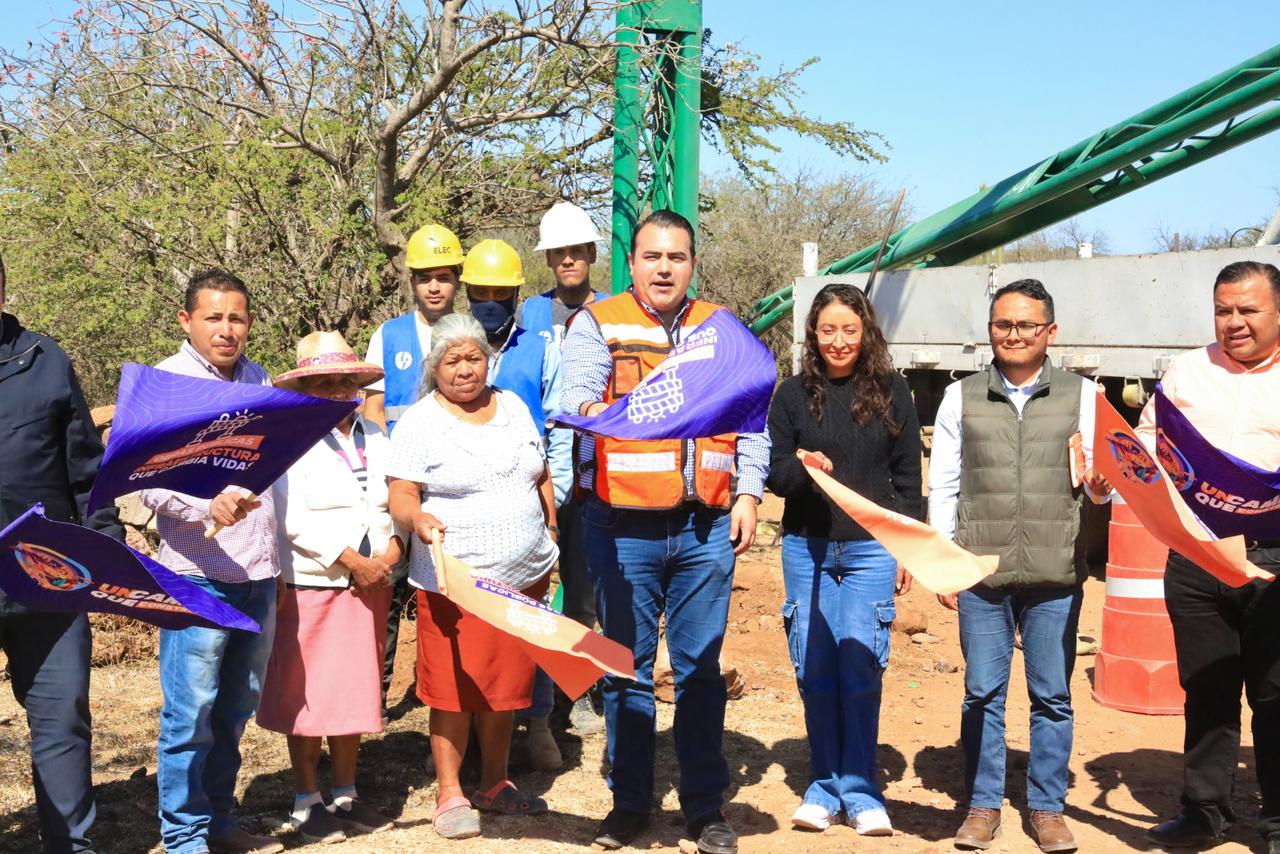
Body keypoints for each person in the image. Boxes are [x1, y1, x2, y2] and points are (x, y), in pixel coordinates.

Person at [561, 209, 770, 854]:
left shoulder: (722, 329)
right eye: (651, 256)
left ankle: (705, 808)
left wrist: (748, 493)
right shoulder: (598, 324)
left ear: (692, 265)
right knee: (624, 669)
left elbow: (753, 417)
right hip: (622, 527)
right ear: (631, 263)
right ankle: (629, 805)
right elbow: (573, 404)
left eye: (676, 257)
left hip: (706, 527)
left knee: (700, 671)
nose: (663, 268)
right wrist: (617, 419)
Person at [928, 278, 1109, 854]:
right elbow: (945, 483)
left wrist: (1102, 487)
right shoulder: (960, 397)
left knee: (1052, 695)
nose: (1014, 334)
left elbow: (1102, 485)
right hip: (982, 573)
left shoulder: (1085, 397)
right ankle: (982, 805)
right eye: (1003, 324)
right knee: (982, 692)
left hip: (1056, 574)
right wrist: (943, 561)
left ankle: (1047, 808)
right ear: (990, 331)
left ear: (1050, 331)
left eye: (1026, 325)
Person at [386, 313, 559, 841]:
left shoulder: (513, 407)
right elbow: (401, 495)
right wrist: (418, 519)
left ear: (489, 360)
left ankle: (495, 782)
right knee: (453, 688)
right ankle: (450, 793)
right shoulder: (420, 422)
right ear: (434, 367)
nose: (465, 369)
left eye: (474, 358)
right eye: (452, 360)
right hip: (454, 581)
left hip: (521, 578)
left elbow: (541, 473)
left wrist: (551, 530)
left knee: (505, 685)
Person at [765, 283, 922, 836]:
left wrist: (905, 545)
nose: (838, 341)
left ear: (866, 332)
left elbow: (908, 477)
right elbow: (774, 475)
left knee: (860, 670)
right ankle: (822, 788)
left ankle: (860, 790)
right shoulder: (791, 395)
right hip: (806, 548)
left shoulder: (893, 392)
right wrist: (803, 466)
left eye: (849, 330)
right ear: (813, 334)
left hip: (871, 550)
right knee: (814, 670)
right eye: (827, 330)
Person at [137, 270, 284, 854]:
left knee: (234, 710)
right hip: (196, 576)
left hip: (257, 574)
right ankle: (184, 838)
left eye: (236, 318)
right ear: (187, 320)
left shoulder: (258, 379)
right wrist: (205, 505)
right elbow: (146, 480)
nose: (227, 329)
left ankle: (219, 822)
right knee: (189, 716)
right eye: (214, 317)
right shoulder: (164, 384)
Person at [1139, 260, 1280, 854]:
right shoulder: (1187, 371)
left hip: (1273, 557)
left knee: (1275, 694)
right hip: (1197, 558)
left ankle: (1277, 821)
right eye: (1223, 310)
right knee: (1206, 689)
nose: (1233, 322)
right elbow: (1148, 442)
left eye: (1248, 310)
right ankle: (1203, 812)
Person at [257, 332, 403, 844]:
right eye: (324, 383)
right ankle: (306, 800)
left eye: (346, 381)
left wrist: (389, 555)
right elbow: (290, 517)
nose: (338, 391)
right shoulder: (288, 439)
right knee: (307, 691)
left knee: (354, 688)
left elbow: (396, 501)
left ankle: (345, 792)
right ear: (304, 390)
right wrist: (351, 562)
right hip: (314, 581)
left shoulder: (377, 435)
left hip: (372, 580)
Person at [0, 253, 122, 854]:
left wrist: (106, 548)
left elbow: (85, 469)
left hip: (47, 575)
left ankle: (69, 844)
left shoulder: (44, 360)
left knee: (63, 716)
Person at [460, 237, 573, 770]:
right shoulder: (452, 345)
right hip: (466, 513)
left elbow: (560, 427)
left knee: (534, 617)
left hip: (529, 507)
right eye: (479, 292)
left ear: (515, 294)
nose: (489, 302)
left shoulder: (540, 348)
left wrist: (554, 505)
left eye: (499, 293)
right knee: (471, 620)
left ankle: (539, 724)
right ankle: (471, 729)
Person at [362, 222, 464, 716]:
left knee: (446, 595)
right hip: (399, 486)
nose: (434, 287)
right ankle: (373, 698)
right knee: (388, 589)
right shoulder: (389, 335)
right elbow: (373, 409)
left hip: (451, 488)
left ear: (457, 279)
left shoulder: (469, 334)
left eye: (443, 277)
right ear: (412, 281)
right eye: (425, 278)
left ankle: (444, 692)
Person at [519, 201, 609, 737]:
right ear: (549, 259)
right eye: (559, 252)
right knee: (530, 584)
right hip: (533, 473)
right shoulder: (529, 315)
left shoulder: (616, 311)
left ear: (592, 254)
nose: (568, 259)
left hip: (594, 470)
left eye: (577, 250)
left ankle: (578, 693)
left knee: (585, 589)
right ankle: (528, 696)